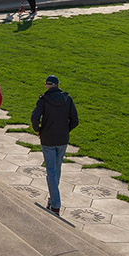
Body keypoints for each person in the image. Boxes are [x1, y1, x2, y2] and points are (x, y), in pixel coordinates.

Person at [31, 75, 79, 215]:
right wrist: (66, 130)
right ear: (58, 85)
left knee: (51, 172)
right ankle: (52, 200)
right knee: (57, 170)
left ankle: (55, 205)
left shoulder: (43, 99)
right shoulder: (67, 99)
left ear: (46, 85)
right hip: (62, 139)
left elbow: (34, 118)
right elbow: (75, 120)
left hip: (48, 139)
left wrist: (38, 130)